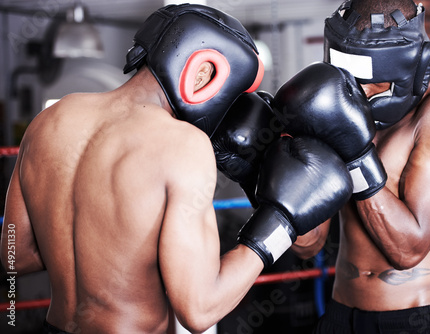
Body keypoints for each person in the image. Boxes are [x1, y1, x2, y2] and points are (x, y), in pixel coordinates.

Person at [0, 4, 354, 334]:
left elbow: (16, 258)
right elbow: (199, 311)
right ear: (204, 72)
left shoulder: (48, 121)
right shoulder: (182, 145)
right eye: (232, 96)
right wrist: (280, 224)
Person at [272, 0, 430, 333]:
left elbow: (408, 250)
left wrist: (354, 153)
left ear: (413, 66)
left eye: (376, 81)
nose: (361, 91)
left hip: (419, 318)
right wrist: (266, 175)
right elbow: (309, 244)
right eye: (352, 78)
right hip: (342, 314)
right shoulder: (336, 104)